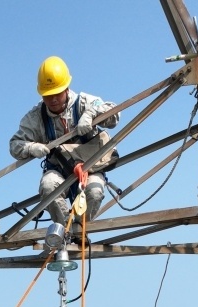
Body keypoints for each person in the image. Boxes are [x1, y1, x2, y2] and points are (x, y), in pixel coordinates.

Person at [9, 56, 120, 228]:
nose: (53, 100)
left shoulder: (83, 102)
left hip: (90, 166)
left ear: (67, 88)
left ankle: (81, 227)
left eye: (57, 94)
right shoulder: (36, 117)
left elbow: (115, 114)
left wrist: (92, 114)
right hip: (60, 169)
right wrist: (31, 147)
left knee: (95, 191)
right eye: (48, 96)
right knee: (48, 187)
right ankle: (64, 231)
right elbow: (15, 145)